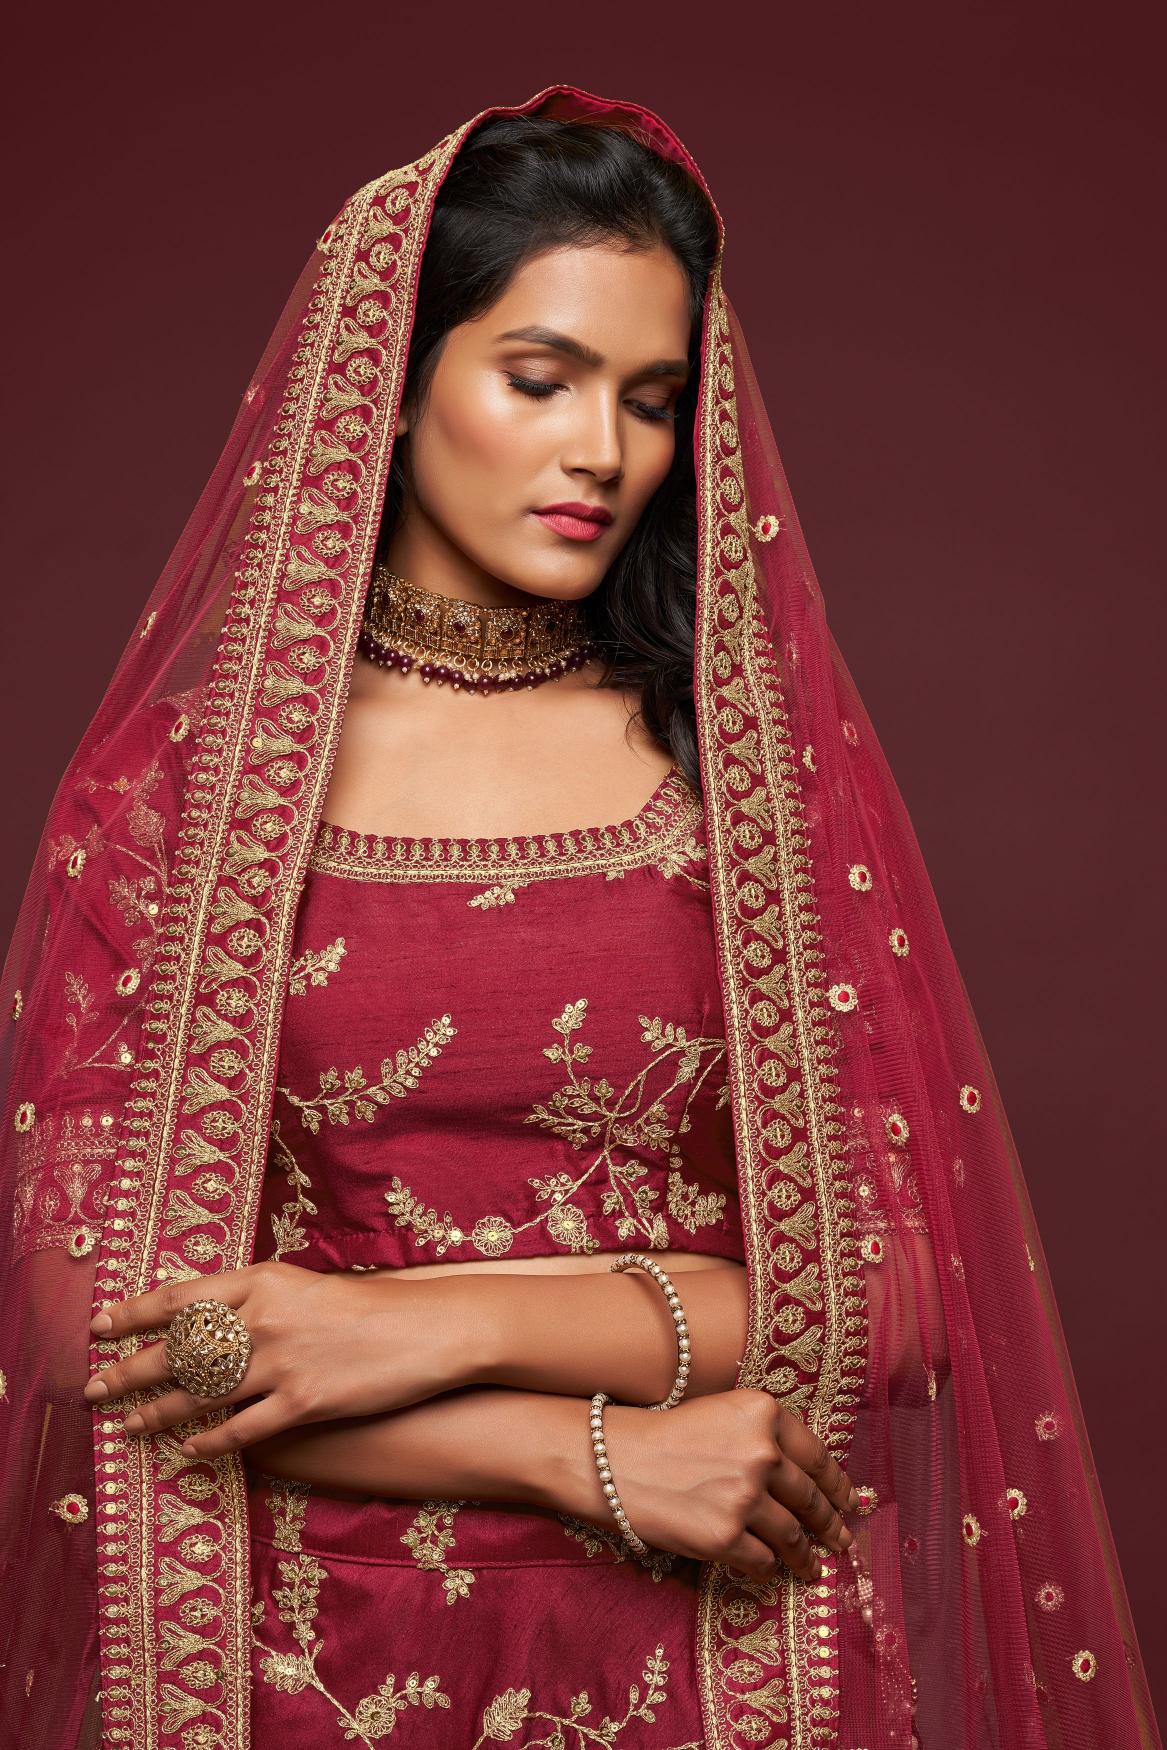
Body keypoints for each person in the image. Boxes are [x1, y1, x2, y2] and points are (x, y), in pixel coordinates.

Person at [0, 84, 1158, 1750]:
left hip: (720, 1646)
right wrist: (587, 1451)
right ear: (393, 384)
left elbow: (905, 1289)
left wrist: (395, 1324)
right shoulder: (178, 801)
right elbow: (94, 1330)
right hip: (293, 1658)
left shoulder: (741, 783)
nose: (604, 452)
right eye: (540, 380)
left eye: (650, 398)